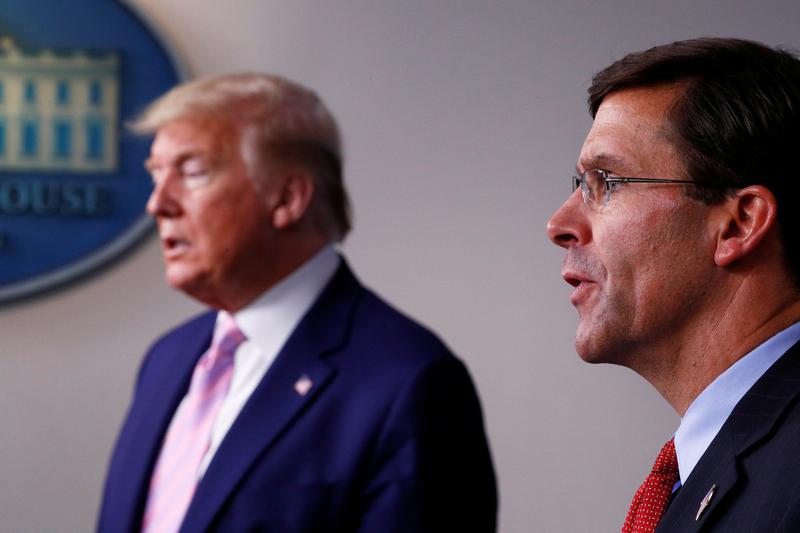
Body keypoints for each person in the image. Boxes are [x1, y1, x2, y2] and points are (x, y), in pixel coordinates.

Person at [97, 73, 497, 533]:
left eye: (191, 173)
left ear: (287, 197)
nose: (158, 203)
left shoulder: (408, 383)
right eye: (156, 174)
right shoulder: (167, 359)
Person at [547, 38, 800, 532]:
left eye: (607, 182)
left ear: (738, 224)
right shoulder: (715, 464)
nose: (559, 224)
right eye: (581, 184)